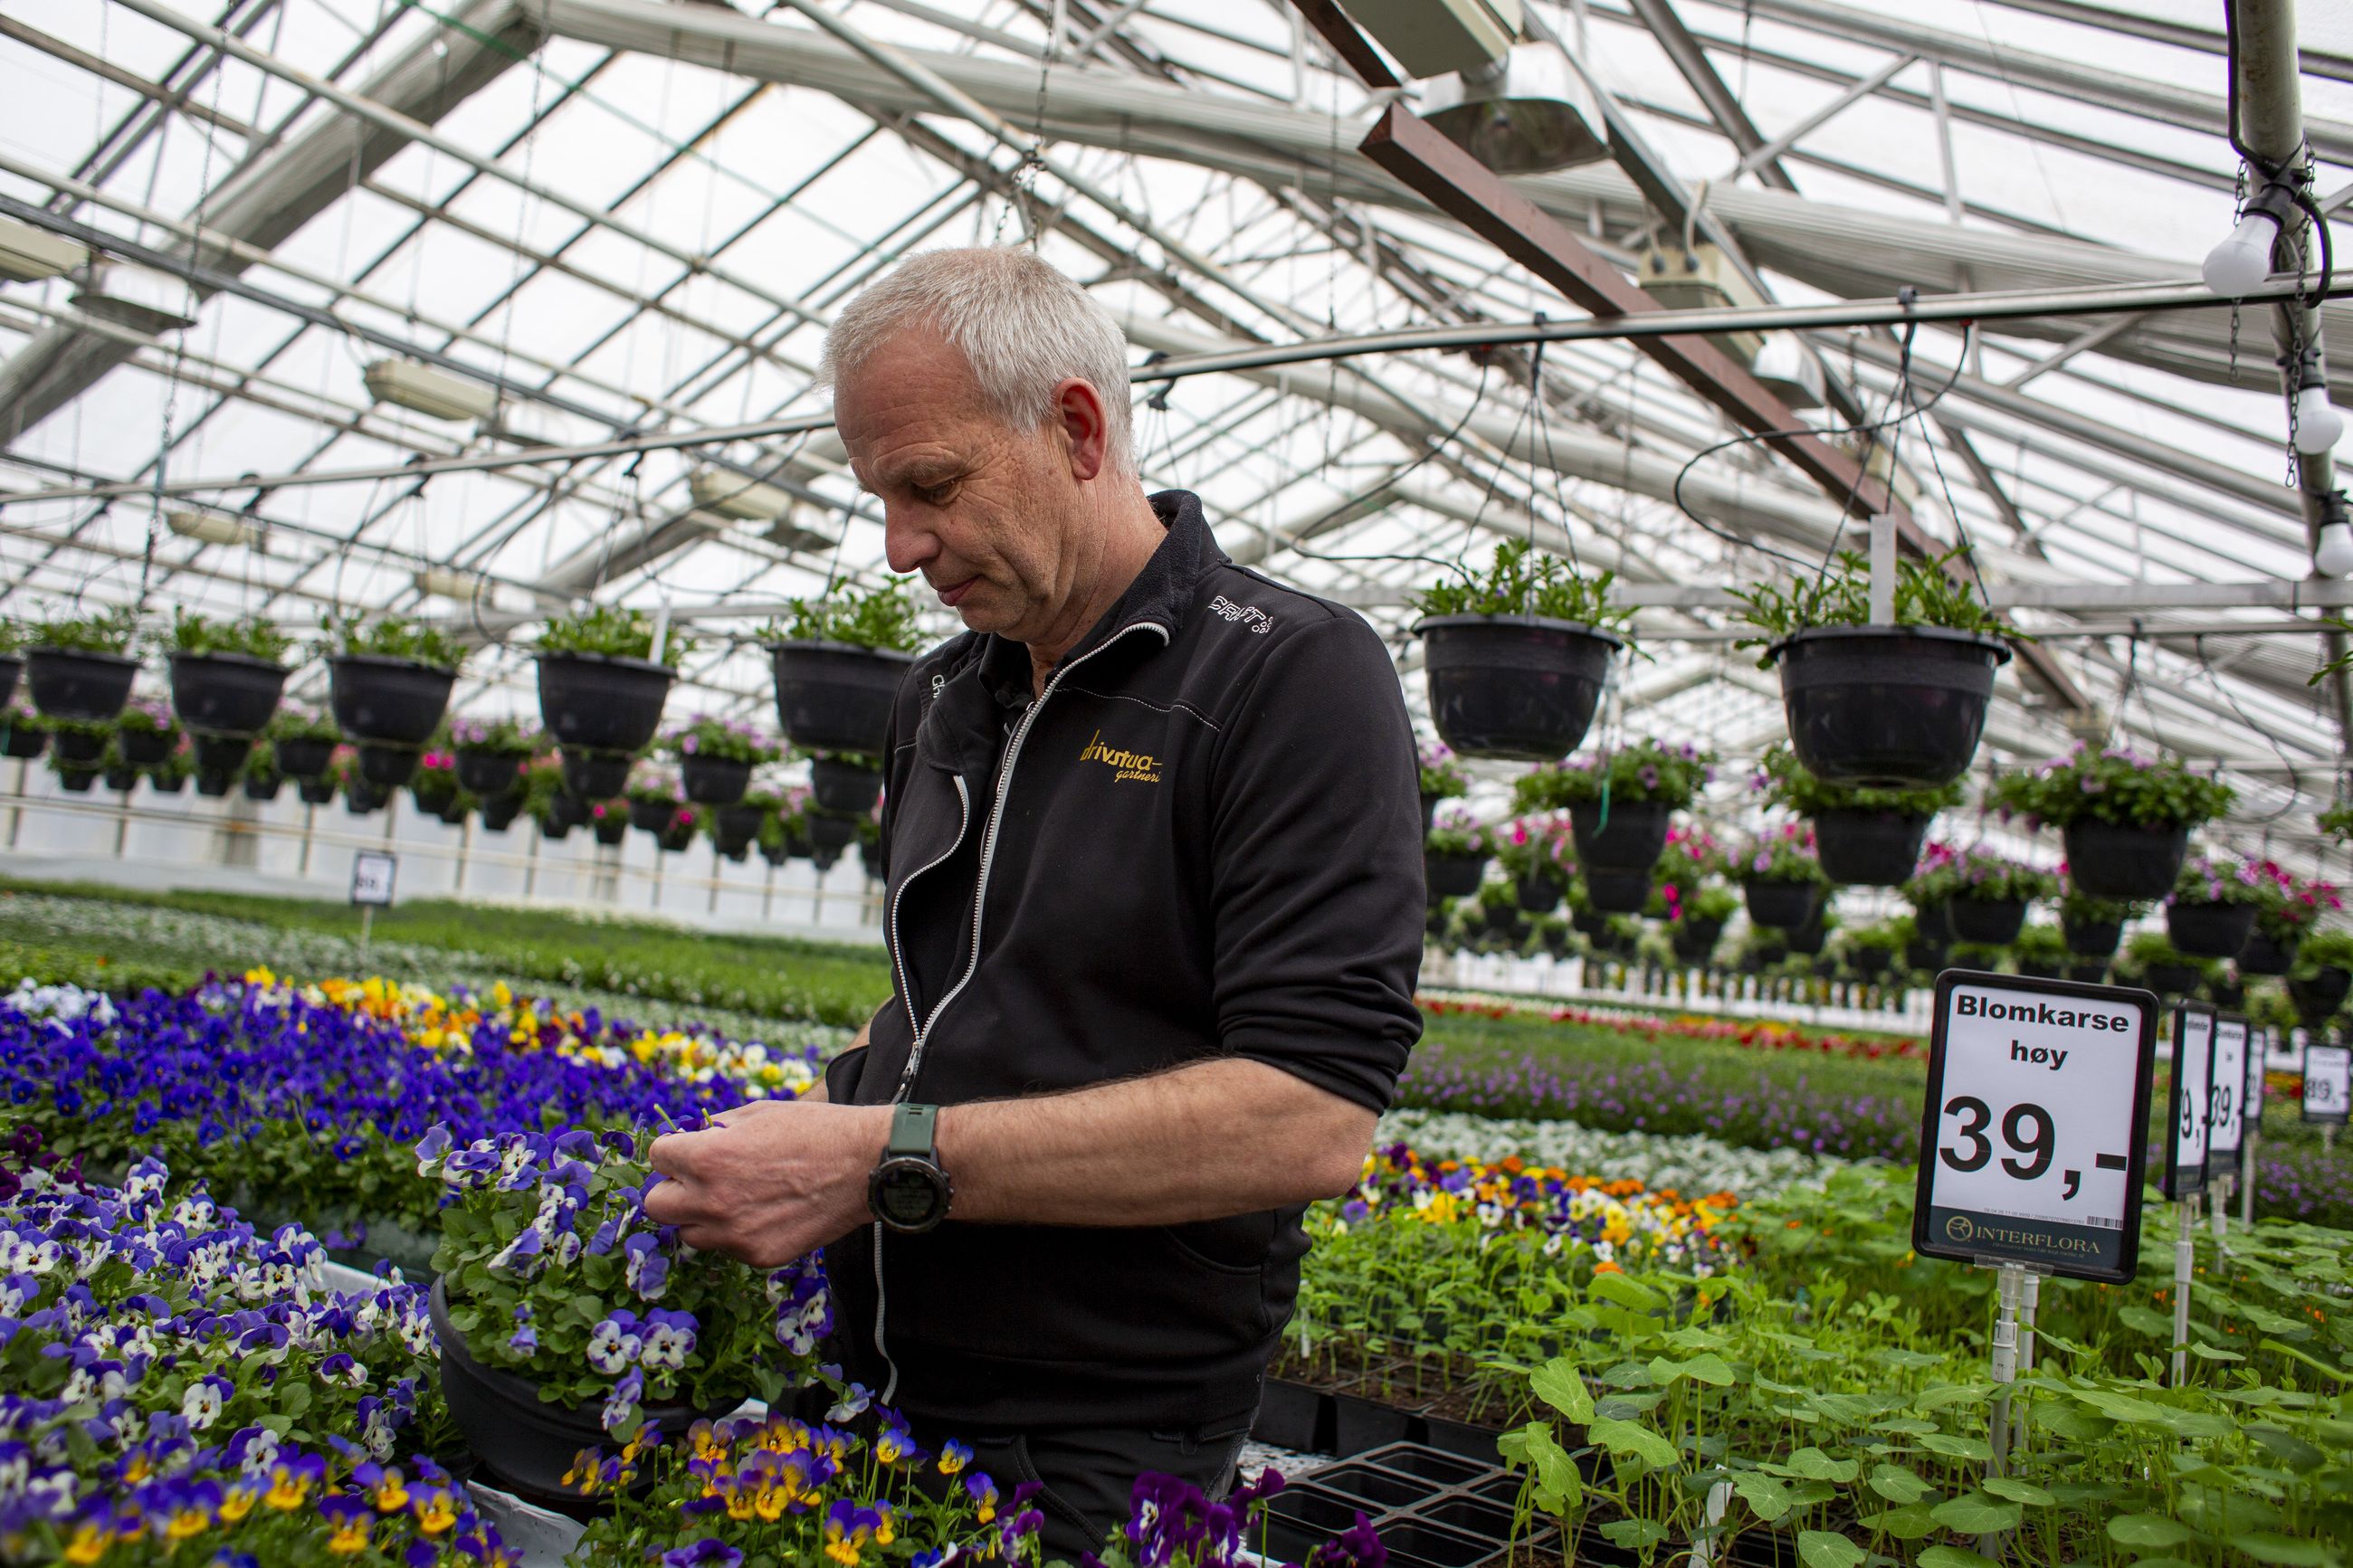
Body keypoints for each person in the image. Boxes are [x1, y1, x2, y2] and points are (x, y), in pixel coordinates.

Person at [643, 247, 1424, 1559]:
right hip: (880, 1399)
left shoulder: (1288, 679)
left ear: (1075, 427)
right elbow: (961, 997)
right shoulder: (946, 695)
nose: (901, 547)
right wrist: (832, 1105)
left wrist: (882, 1158)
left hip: (1097, 1448)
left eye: (930, 485)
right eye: (879, 497)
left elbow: (1311, 1115)